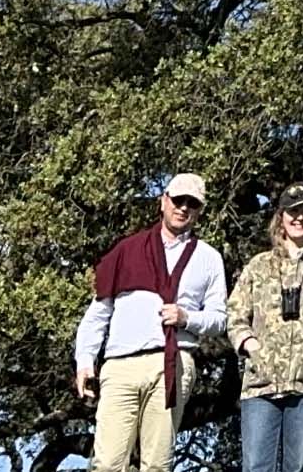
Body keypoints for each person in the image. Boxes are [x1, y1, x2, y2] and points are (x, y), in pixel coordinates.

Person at [74, 173, 232, 472]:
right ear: (163, 201)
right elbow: (99, 310)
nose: (183, 208)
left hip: (172, 364)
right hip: (120, 365)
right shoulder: (128, 249)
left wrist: (187, 318)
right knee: (107, 463)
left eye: (192, 203)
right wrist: (84, 360)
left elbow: (219, 319)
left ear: (199, 210)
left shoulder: (208, 258)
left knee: (157, 464)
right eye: (178, 200)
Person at [226, 183, 303, 472]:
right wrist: (251, 346)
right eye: (292, 211)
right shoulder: (258, 266)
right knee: (257, 466)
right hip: (261, 385)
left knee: (300, 467)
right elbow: (234, 313)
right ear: (280, 217)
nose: (299, 218)